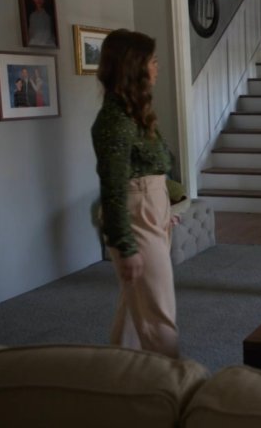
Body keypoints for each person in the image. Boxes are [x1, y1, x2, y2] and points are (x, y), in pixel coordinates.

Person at [91, 29, 179, 358]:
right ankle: (173, 389)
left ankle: (120, 377)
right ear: (134, 68)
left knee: (134, 310)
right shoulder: (115, 121)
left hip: (150, 211)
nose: (156, 67)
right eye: (152, 61)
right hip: (136, 217)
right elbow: (113, 187)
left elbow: (153, 169)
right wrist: (125, 246)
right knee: (158, 316)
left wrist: (164, 210)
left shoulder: (135, 113)